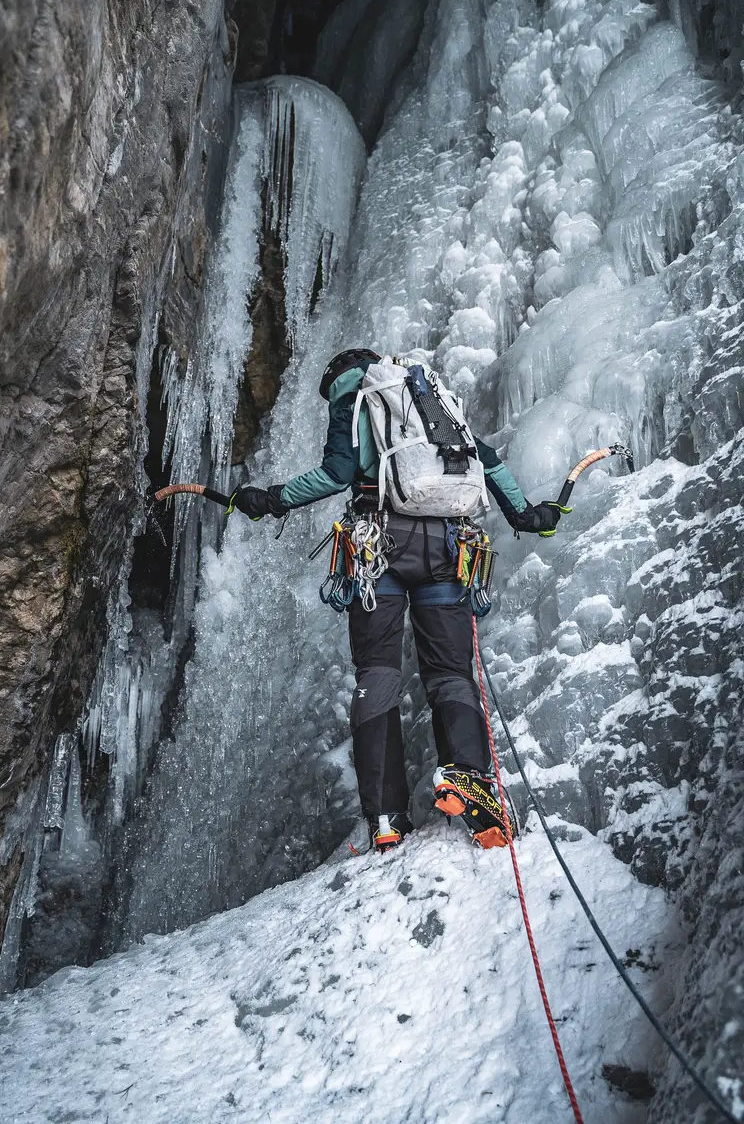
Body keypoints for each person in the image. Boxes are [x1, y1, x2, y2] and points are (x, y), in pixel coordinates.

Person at [232, 349, 561, 852]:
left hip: (379, 546)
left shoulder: (353, 393)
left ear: (339, 377)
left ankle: (386, 816)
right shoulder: (427, 396)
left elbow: (338, 472)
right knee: (451, 671)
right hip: (449, 545)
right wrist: (525, 515)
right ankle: (471, 781)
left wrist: (270, 499)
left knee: (379, 673)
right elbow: (485, 459)